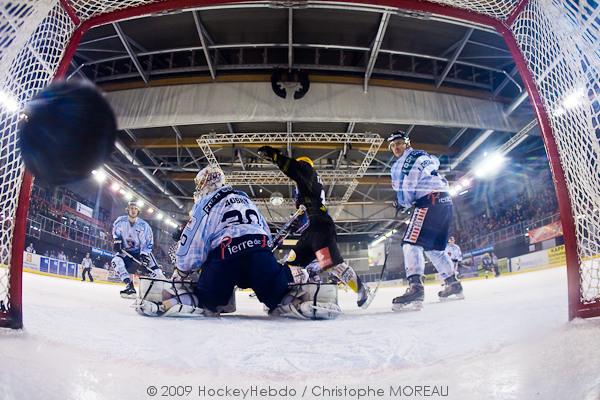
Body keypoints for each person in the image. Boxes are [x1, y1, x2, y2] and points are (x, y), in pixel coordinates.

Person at [137, 166, 339, 319]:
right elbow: (265, 236)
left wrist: (181, 271)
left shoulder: (205, 204)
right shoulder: (245, 199)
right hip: (260, 257)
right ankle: (305, 301)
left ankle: (166, 301)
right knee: (277, 296)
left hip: (226, 259)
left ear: (203, 184)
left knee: (207, 300)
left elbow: (193, 244)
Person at [257, 146, 373, 308]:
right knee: (292, 265)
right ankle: (295, 297)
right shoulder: (308, 188)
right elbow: (305, 214)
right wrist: (297, 221)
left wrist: (276, 157)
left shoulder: (307, 170)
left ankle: (362, 290)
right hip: (310, 232)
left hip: (319, 228)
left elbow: (295, 169)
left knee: (330, 264)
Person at [387, 130, 464, 311]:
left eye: (399, 143)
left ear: (407, 143)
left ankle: (416, 289)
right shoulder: (423, 154)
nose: (396, 147)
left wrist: (401, 202)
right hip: (445, 200)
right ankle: (452, 283)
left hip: (429, 201)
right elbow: (434, 163)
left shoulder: (401, 164)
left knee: (410, 243)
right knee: (434, 248)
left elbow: (406, 188)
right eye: (392, 145)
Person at [111, 201, 164, 298]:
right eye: (131, 208)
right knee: (116, 261)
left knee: (157, 273)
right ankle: (129, 287)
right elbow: (116, 233)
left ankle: (165, 290)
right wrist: (117, 241)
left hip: (141, 252)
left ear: (138, 210)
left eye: (135, 208)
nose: (133, 210)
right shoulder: (120, 221)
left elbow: (148, 242)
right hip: (126, 252)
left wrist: (144, 255)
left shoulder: (144, 226)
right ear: (128, 209)